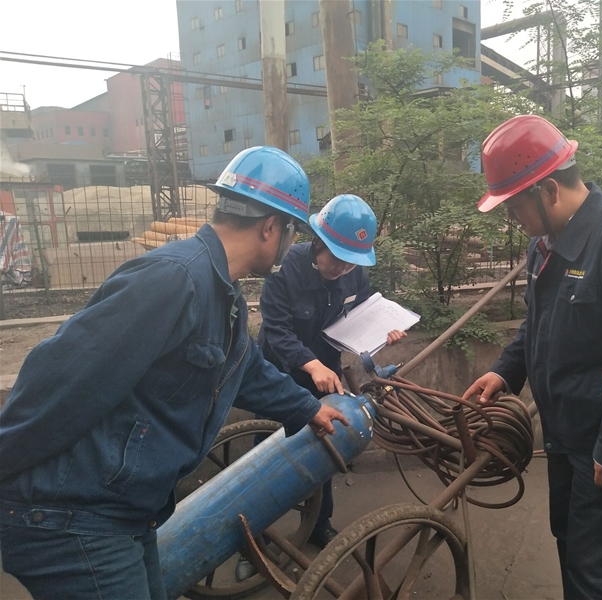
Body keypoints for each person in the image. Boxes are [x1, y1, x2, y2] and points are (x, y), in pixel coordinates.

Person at [0, 146, 348, 600]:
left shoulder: (222, 292)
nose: (290, 243)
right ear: (270, 227)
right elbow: (55, 379)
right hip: (71, 518)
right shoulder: (174, 278)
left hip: (126, 511)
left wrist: (306, 408)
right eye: (291, 230)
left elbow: (245, 369)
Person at [463, 115, 602, 600]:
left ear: (549, 190)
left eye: (514, 205)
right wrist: (505, 372)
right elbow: (538, 323)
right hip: (569, 429)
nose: (512, 218)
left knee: (596, 568)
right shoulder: (546, 244)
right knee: (571, 543)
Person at [234, 193, 405, 580]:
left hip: (325, 373)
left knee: (324, 446)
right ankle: (254, 541)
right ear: (318, 243)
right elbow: (276, 331)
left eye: (351, 262)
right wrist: (311, 366)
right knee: (267, 458)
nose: (343, 268)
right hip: (279, 375)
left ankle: (317, 524)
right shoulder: (284, 271)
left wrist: (384, 331)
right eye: (337, 258)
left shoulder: (353, 274)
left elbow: (364, 316)